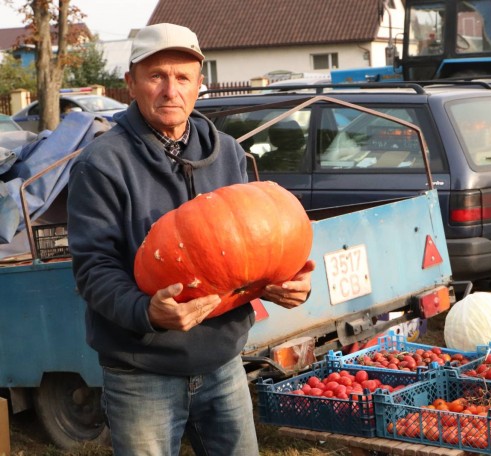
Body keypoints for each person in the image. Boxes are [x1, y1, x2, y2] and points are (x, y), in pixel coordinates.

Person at [66, 22, 315, 455]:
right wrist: (146, 311)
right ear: (131, 83)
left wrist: (284, 283)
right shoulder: (101, 165)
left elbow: (254, 246)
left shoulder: (229, 152)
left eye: (182, 77)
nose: (170, 90)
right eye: (156, 76)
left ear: (200, 84)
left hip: (222, 363)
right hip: (140, 371)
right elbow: (93, 269)